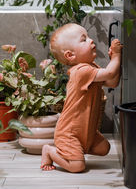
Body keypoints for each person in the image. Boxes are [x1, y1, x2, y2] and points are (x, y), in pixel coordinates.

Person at [40, 23, 123, 172]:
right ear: (70, 55)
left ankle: (76, 151)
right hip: (69, 132)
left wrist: (116, 61)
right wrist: (116, 56)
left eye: (89, 37)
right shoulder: (81, 72)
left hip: (86, 131)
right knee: (77, 166)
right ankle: (50, 151)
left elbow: (112, 82)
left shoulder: (91, 67)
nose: (91, 40)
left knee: (104, 148)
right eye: (84, 40)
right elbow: (110, 73)